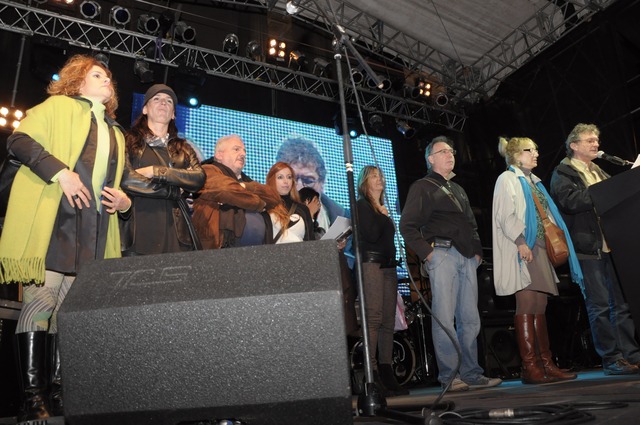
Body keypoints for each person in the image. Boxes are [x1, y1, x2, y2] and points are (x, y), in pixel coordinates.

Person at [0, 54, 131, 422]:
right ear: (78, 81)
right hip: (55, 220)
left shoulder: (116, 131)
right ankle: (32, 398)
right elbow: (19, 141)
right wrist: (61, 173)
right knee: (41, 302)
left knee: (68, 313)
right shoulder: (58, 106)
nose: (107, 81)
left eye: (109, 77)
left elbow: (121, 182)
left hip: (92, 229)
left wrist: (124, 200)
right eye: (98, 75)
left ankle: (59, 393)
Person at [400, 135, 501, 392]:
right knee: (444, 318)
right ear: (430, 159)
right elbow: (407, 226)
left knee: (470, 319)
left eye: (451, 151)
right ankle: (450, 376)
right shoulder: (422, 187)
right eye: (443, 151)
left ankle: (472, 373)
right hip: (442, 254)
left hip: (467, 258)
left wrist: (477, 253)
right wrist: (428, 253)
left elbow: (471, 224)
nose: (450, 155)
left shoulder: (458, 189)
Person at [550, 123, 640, 375]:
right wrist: (605, 192)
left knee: (621, 305)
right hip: (587, 247)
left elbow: (615, 197)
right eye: (589, 140)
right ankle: (611, 358)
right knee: (599, 305)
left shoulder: (599, 171)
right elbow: (570, 202)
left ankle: (631, 354)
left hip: (613, 245)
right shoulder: (563, 173)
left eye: (596, 140)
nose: (596, 144)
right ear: (574, 145)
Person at [492, 137, 581, 384]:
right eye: (529, 150)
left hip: (539, 247)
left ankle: (546, 364)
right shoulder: (507, 179)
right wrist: (521, 242)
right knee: (527, 302)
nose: (536, 154)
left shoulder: (534, 182)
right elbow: (505, 215)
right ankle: (530, 366)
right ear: (515, 155)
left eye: (536, 149)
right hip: (524, 246)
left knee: (540, 303)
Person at [120, 84, 205, 255]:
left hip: (176, 231)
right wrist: (174, 190)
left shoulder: (184, 148)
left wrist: (155, 171)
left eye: (169, 101)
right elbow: (127, 179)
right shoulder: (127, 141)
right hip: (139, 226)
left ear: (173, 114)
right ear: (145, 109)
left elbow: (198, 178)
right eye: (156, 99)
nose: (163, 103)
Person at [356, 165, 408, 396]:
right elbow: (371, 234)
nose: (379, 179)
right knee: (374, 317)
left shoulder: (382, 207)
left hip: (388, 266)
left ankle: (387, 371)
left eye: (381, 176)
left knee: (388, 320)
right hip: (372, 264)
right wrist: (381, 212)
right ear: (364, 182)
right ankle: (372, 373)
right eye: (374, 176)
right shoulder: (362, 205)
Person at [192, 134, 281, 249]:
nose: (243, 154)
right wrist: (259, 203)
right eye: (236, 149)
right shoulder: (207, 171)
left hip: (256, 251)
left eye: (244, 151)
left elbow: (274, 197)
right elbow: (226, 190)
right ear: (219, 155)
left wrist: (244, 186)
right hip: (220, 248)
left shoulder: (247, 181)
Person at [275, 136, 347, 231]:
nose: (299, 187)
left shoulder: (344, 217)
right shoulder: (267, 214)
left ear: (322, 182)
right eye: (291, 179)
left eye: (308, 180)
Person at [265, 161, 314, 243]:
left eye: (289, 177)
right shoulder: (265, 207)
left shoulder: (302, 209)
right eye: (280, 177)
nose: (286, 181)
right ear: (272, 180)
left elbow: (311, 242)